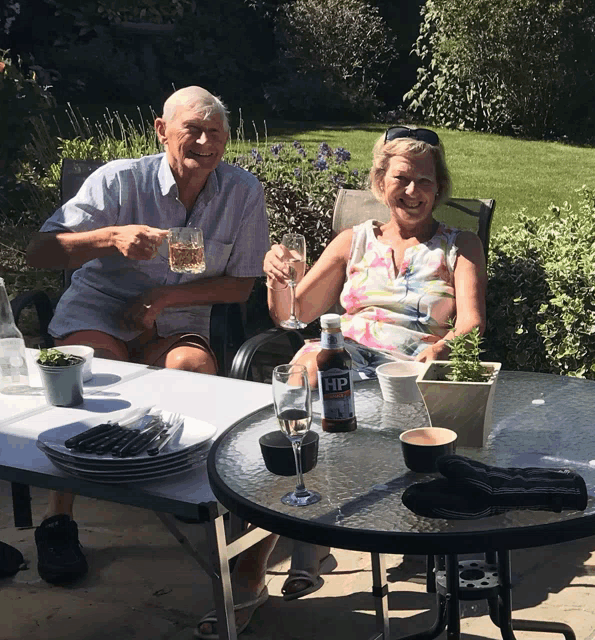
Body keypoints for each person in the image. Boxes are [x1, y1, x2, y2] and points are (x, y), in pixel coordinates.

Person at [25, 86, 271, 589]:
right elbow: (39, 252)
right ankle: (59, 520)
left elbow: (242, 283)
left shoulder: (242, 192)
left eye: (216, 133)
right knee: (93, 375)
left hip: (176, 320)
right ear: (162, 131)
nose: (205, 142)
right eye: (193, 130)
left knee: (192, 371)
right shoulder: (118, 182)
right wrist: (108, 238)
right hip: (100, 309)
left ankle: (181, 486)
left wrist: (164, 300)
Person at [260, 126, 487, 609]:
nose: (413, 191)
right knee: (309, 360)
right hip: (346, 353)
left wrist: (443, 349)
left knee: (312, 373)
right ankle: (306, 536)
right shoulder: (353, 242)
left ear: (439, 188)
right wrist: (276, 275)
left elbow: (471, 323)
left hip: (410, 367)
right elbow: (292, 315)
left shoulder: (458, 244)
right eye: (402, 178)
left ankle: (308, 543)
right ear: (381, 182)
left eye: (425, 181)